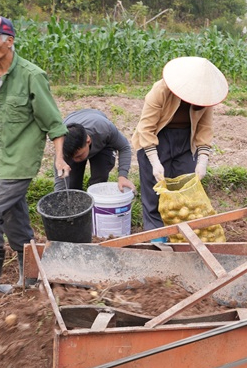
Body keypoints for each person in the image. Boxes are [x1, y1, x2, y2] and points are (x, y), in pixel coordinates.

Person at [0, 15, 69, 296]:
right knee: (12, 218)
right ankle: (30, 276)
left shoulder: (32, 76)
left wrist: (59, 157)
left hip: (20, 162)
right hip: (2, 159)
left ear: (9, 40)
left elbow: (53, 122)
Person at [132, 56, 228, 239]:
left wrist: (202, 161)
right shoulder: (160, 90)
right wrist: (154, 161)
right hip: (154, 140)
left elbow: (204, 130)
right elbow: (146, 128)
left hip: (184, 141)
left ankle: (182, 236)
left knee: (185, 189)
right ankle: (157, 237)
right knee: (155, 192)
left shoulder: (205, 98)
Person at [56, 109, 135, 194]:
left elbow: (124, 147)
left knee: (100, 178)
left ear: (88, 140)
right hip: (75, 120)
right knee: (72, 184)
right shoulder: (61, 143)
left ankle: (96, 201)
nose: (75, 160)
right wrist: (59, 197)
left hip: (102, 143)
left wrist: (123, 176)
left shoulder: (104, 129)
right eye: (72, 157)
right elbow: (60, 180)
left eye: (79, 156)